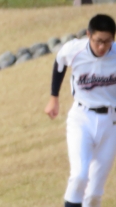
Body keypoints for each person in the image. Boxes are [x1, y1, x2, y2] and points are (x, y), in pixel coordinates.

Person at [45, 14, 116, 207]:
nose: (102, 47)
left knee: (94, 193)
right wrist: (54, 98)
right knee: (79, 176)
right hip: (82, 118)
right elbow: (59, 63)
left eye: (107, 41)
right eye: (98, 41)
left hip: (111, 123)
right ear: (88, 35)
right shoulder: (75, 50)